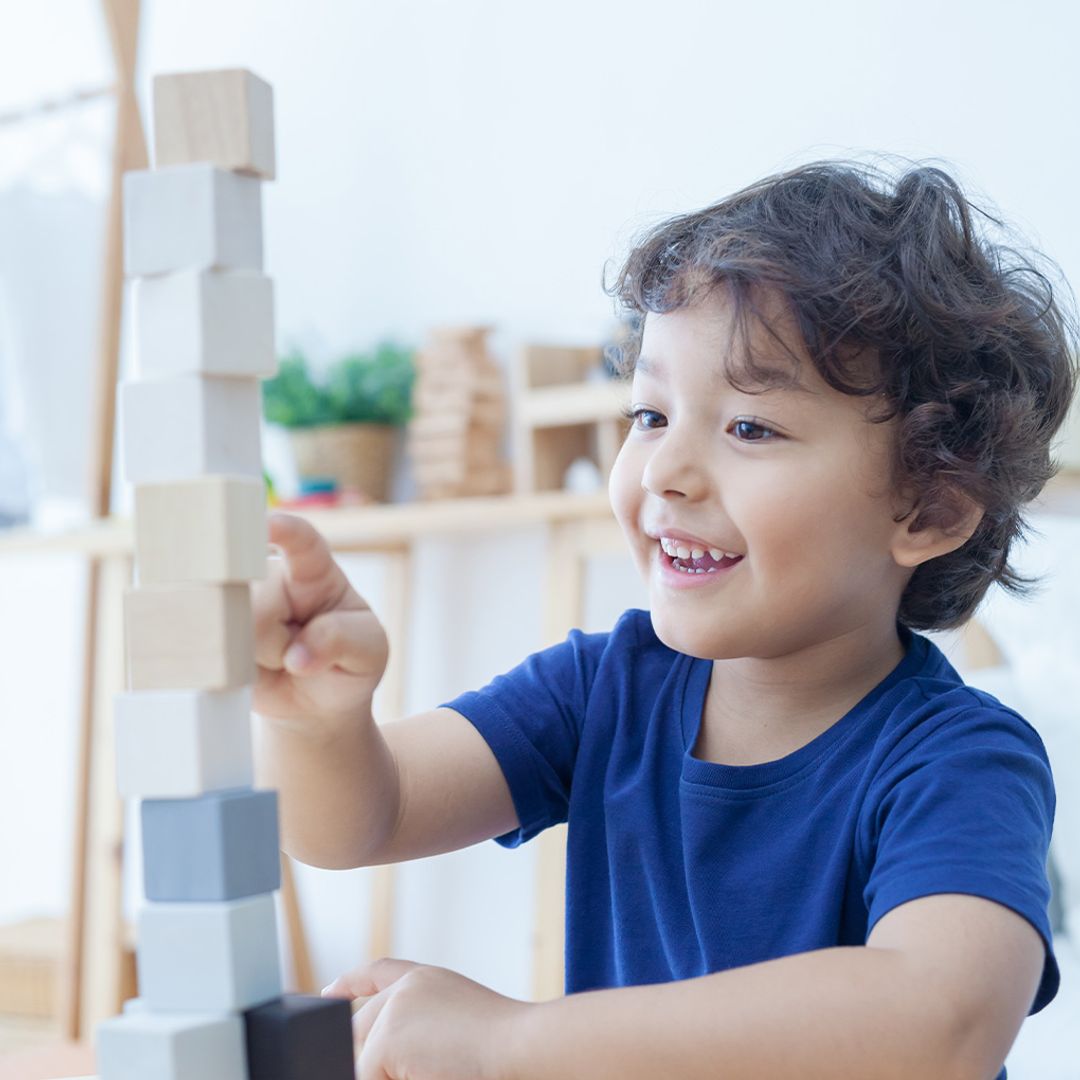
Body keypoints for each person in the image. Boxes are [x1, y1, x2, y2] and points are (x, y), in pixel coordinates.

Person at [253, 158, 1079, 1079]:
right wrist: (319, 721)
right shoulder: (603, 688)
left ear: (929, 510)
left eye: (750, 428)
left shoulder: (960, 760)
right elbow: (359, 822)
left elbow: (940, 1023)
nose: (664, 472)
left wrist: (510, 1041)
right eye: (649, 414)